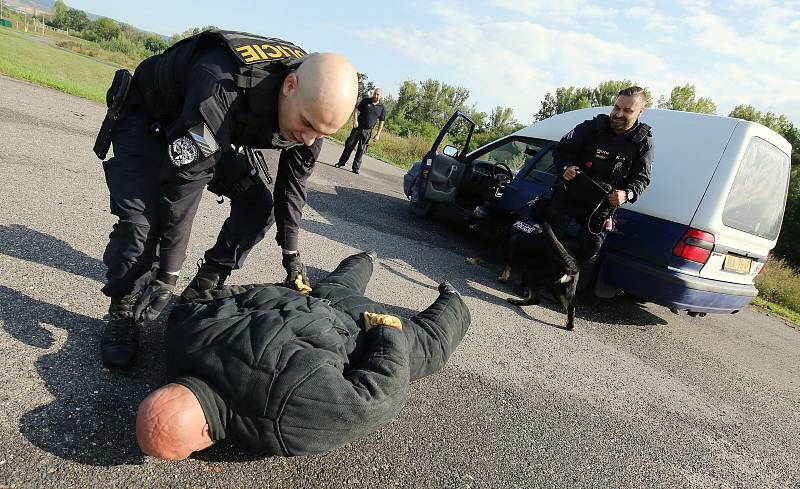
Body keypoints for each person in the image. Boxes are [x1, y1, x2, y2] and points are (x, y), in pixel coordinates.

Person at [94, 29, 359, 369]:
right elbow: (185, 185)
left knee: (258, 205)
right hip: (150, 121)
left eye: (322, 133)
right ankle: (124, 307)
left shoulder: (313, 114)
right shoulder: (220, 83)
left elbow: (291, 188)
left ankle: (203, 286)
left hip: (207, 133)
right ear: (289, 86)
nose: (310, 140)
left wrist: (291, 254)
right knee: (143, 223)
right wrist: (168, 274)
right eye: (308, 125)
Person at [135, 251, 471, 460]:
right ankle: (366, 257)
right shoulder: (181, 339)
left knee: (430, 345)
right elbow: (206, 297)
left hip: (357, 329)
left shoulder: (280, 419)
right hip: (309, 301)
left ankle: (454, 299)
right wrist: (281, 295)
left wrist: (388, 334)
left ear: (205, 436)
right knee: (340, 284)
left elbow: (378, 399)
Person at [546, 86, 655, 264]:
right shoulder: (590, 127)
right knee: (548, 241)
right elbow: (561, 150)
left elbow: (641, 179)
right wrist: (566, 167)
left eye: (627, 110)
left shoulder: (643, 143)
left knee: (588, 255)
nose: (619, 114)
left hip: (601, 207)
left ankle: (566, 290)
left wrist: (626, 194)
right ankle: (532, 284)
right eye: (617, 108)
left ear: (641, 112)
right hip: (569, 196)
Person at [335, 87, 386, 174]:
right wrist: (355, 121)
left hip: (367, 131)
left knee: (361, 149)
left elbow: (382, 121)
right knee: (349, 145)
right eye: (374, 94)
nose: (375, 96)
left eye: (377, 94)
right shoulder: (365, 101)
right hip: (358, 128)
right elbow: (356, 109)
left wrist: (378, 134)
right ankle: (341, 162)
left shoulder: (381, 108)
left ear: (380, 96)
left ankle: (355, 168)